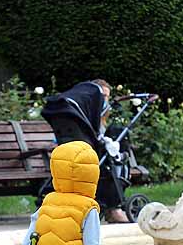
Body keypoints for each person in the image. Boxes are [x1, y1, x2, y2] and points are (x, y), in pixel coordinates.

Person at [40, 79, 130, 223]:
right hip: (88, 153)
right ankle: (114, 208)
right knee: (114, 159)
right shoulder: (83, 121)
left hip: (79, 153)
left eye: (107, 96)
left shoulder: (84, 120)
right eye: (103, 97)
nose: (105, 101)